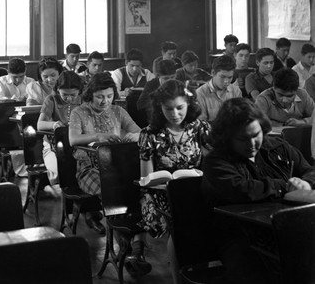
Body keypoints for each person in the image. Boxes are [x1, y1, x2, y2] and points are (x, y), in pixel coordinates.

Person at [201, 98, 315, 284]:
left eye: (256, 134)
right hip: (241, 236)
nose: (252, 144)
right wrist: (284, 185)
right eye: (243, 139)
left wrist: (306, 183)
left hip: (286, 229)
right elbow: (241, 189)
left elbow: (310, 169)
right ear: (227, 137)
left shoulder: (277, 146)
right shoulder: (216, 161)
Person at [138, 79, 211, 282]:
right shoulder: (149, 134)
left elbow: (213, 162)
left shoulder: (199, 128)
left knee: (208, 214)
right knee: (181, 221)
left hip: (197, 190)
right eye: (168, 109)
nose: (175, 114)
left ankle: (201, 272)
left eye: (180, 108)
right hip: (160, 194)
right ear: (160, 108)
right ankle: (179, 279)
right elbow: (146, 179)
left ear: (189, 104)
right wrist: (169, 185)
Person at [69, 73, 141, 234]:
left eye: (109, 96)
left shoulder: (118, 110)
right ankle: (120, 232)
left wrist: (135, 135)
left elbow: (140, 132)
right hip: (88, 169)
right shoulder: (79, 112)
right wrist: (98, 136)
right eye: (99, 97)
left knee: (135, 186)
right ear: (90, 95)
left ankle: (130, 234)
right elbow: (72, 140)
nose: (105, 101)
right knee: (111, 188)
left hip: (116, 166)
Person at [37, 71, 83, 184]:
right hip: (54, 145)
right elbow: (40, 124)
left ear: (79, 91)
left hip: (78, 144)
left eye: (73, 95)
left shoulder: (83, 100)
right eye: (65, 95)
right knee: (59, 172)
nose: (69, 99)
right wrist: (54, 124)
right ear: (58, 90)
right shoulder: (51, 100)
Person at [196, 55, 242, 122]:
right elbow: (202, 125)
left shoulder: (236, 91)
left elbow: (240, 118)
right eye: (222, 77)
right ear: (213, 73)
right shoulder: (200, 94)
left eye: (230, 78)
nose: (226, 81)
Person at [137, 59, 177, 126]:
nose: (170, 81)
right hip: (157, 120)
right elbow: (141, 104)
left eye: (172, 77)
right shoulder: (151, 85)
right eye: (166, 78)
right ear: (158, 76)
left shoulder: (178, 84)